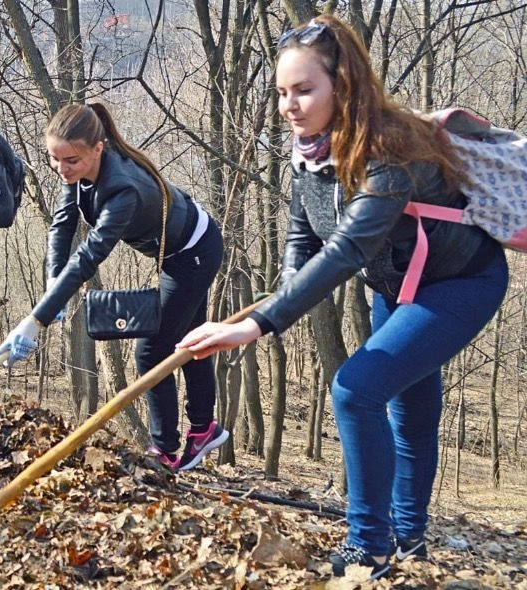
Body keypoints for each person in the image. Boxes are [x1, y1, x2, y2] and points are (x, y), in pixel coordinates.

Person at [178, 15, 509, 580]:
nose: (290, 105)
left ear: (344, 85)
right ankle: (409, 540)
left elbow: (346, 250)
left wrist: (257, 323)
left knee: (355, 391)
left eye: (305, 90)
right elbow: (303, 234)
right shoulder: (308, 152)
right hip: (395, 286)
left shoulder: (388, 148)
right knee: (410, 409)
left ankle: (371, 545)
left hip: (461, 281)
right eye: (283, 92)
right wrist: (283, 284)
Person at [0, 102, 226, 472]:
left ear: (97, 148)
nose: (62, 169)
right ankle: (204, 428)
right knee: (189, 340)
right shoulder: (80, 172)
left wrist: (35, 320)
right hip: (180, 248)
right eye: (55, 159)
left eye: (71, 161)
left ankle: (164, 449)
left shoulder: (122, 189)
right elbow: (62, 226)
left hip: (194, 252)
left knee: (152, 351)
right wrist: (55, 280)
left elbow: (88, 257)